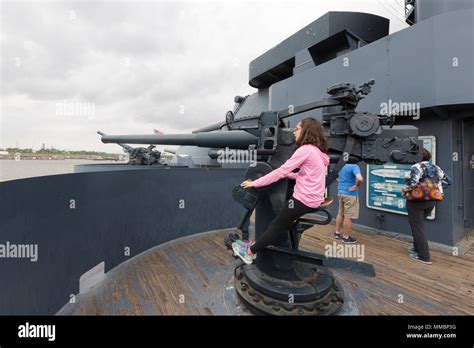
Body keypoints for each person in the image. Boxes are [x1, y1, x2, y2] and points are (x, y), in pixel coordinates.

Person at [233, 117, 330, 264]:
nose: (294, 131)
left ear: (306, 131)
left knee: (276, 226)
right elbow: (306, 174)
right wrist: (290, 174)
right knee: (283, 223)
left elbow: (280, 172)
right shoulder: (318, 152)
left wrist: (255, 183)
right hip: (314, 199)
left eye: (297, 128)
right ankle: (257, 245)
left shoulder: (305, 150)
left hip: (303, 200)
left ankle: (249, 252)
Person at [402, 149, 452, 265]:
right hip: (431, 201)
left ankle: (424, 257)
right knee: (418, 226)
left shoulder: (416, 167)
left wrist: (404, 189)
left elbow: (412, 183)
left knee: (417, 228)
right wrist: (435, 190)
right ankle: (416, 248)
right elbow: (448, 181)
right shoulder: (435, 167)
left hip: (416, 202)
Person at [334, 164, 363, 244]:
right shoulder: (354, 166)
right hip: (350, 194)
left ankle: (337, 233)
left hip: (340, 193)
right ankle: (346, 238)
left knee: (340, 213)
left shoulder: (341, 164)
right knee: (348, 217)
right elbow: (360, 179)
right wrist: (357, 186)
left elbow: (335, 177)